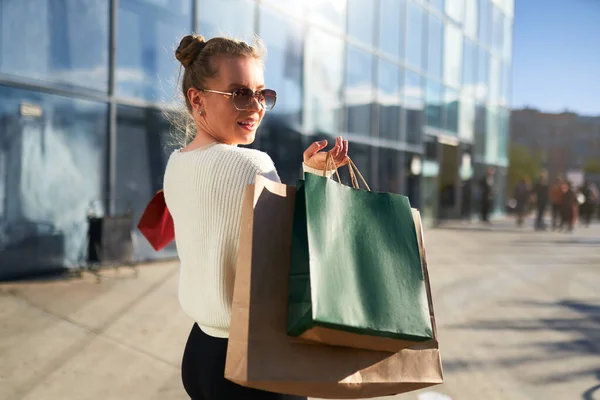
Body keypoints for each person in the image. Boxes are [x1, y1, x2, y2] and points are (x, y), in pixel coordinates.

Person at [163, 34, 349, 400]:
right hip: (257, 361)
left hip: (201, 351)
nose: (256, 107)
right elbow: (302, 253)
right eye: (240, 93)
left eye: (262, 94)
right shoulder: (251, 164)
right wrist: (318, 178)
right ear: (197, 99)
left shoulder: (176, 163)